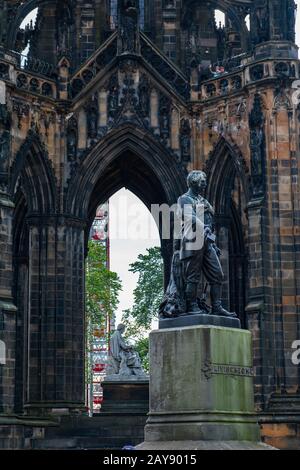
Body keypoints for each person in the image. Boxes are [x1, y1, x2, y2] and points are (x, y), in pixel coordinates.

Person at [160, 170, 236, 318]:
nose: (205, 184)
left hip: (206, 243)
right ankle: (191, 306)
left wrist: (213, 243)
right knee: (192, 277)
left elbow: (209, 221)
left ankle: (216, 307)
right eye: (202, 182)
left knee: (217, 275)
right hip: (192, 241)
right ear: (194, 182)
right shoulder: (184, 199)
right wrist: (204, 228)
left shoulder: (203, 200)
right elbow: (191, 217)